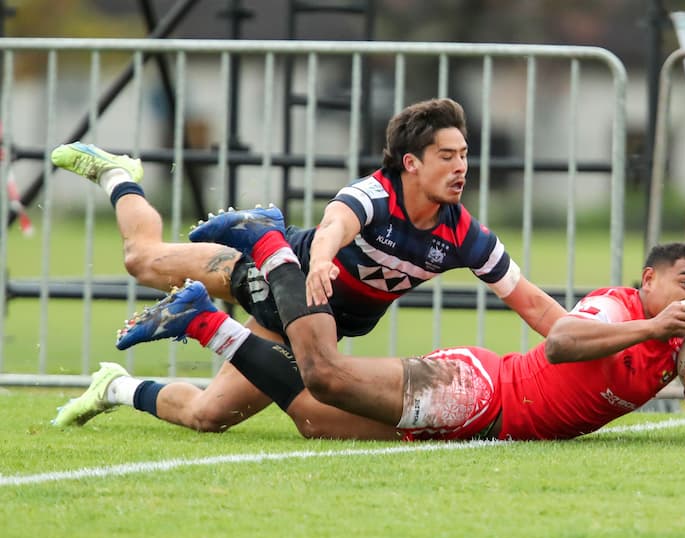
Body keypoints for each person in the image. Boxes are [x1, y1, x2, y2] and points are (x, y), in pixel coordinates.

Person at [50, 97, 566, 437]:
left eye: (465, 156)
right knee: (141, 258)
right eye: (447, 157)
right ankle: (119, 174)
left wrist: (587, 343)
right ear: (411, 163)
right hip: (279, 275)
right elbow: (335, 223)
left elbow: (535, 305)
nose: (461, 169)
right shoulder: (376, 195)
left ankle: (114, 387)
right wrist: (319, 261)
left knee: (209, 415)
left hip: (307, 321)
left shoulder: (466, 237)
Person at [108, 208, 685, 441]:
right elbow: (566, 339)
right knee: (327, 379)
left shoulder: (683, 339)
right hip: (480, 391)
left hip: (485, 419)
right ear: (649, 282)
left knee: (313, 417)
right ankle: (268, 247)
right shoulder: (623, 311)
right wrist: (652, 325)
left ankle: (143, 365)